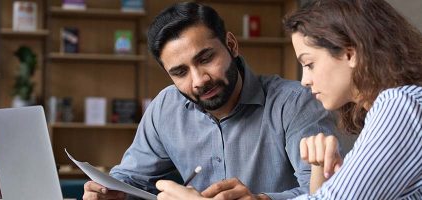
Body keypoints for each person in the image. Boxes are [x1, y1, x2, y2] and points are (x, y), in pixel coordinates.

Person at [155, 0, 422, 199]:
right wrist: (319, 169)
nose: (305, 79)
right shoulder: (395, 107)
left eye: (309, 64)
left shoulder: (399, 104)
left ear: (350, 54)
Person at [83, 2, 336, 200]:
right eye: (180, 72)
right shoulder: (164, 108)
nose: (198, 80)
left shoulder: (294, 103)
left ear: (231, 45)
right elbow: (131, 179)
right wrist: (108, 191)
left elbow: (326, 193)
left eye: (205, 59)